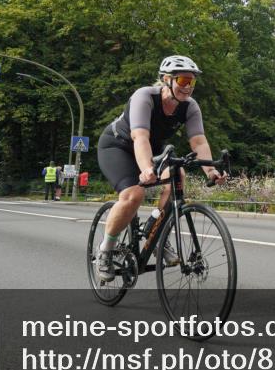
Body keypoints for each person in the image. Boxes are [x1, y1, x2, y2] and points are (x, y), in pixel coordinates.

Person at [95, 55, 227, 282]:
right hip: (118, 145)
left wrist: (210, 171)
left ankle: (155, 230)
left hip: (152, 148)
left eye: (193, 82)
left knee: (178, 175)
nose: (189, 87)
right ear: (167, 79)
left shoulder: (190, 107)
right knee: (133, 195)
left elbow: (198, 142)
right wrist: (147, 169)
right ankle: (105, 250)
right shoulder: (144, 97)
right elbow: (140, 137)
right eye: (184, 81)